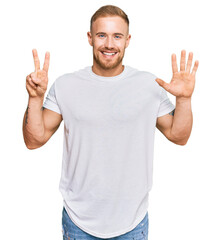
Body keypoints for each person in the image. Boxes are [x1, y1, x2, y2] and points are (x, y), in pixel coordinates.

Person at [22, 4, 199, 240]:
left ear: (127, 40)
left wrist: (184, 99)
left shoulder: (149, 85)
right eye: (101, 35)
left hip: (132, 224)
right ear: (90, 38)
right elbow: (34, 140)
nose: (109, 44)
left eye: (117, 36)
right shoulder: (66, 85)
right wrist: (35, 98)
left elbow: (179, 136)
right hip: (79, 223)